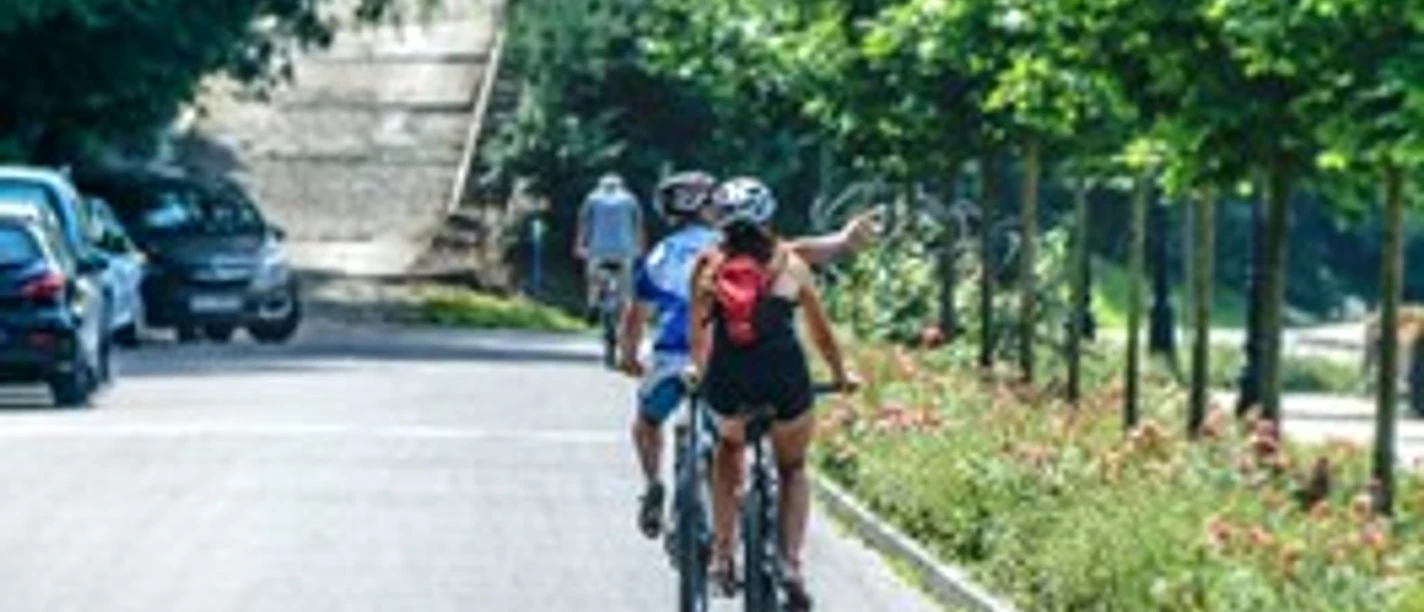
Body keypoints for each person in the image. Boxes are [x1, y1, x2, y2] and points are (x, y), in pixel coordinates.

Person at [617, 171, 877, 545]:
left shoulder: (662, 254)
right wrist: (843, 240)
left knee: (647, 421)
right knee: (734, 443)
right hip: (725, 359)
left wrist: (628, 357)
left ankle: (654, 482)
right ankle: (739, 536)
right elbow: (799, 252)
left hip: (675, 359)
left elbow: (635, 316)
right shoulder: (734, 246)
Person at [686, 177, 856, 611]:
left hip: (730, 379)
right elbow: (820, 333)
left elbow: (699, 339)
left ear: (720, 222)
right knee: (793, 467)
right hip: (784, 379)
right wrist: (840, 375)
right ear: (769, 217)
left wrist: (700, 375)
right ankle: (792, 565)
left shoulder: (707, 266)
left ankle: (723, 556)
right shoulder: (791, 264)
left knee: (728, 448)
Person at [574, 173, 645, 320]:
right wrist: (640, 247)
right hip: (625, 249)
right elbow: (638, 224)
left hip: (598, 249)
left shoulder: (592, 198)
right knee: (625, 284)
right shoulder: (630, 199)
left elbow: (584, 223)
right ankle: (624, 312)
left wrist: (579, 245)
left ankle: (592, 303)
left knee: (593, 278)